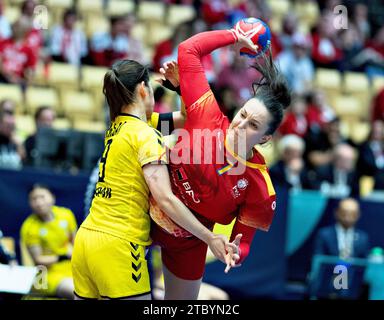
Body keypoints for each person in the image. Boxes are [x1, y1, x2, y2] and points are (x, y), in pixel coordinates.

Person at [71, 59, 232, 300]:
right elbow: (165, 199)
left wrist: (181, 88)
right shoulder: (146, 134)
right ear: (144, 90)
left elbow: (188, 119)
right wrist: (209, 237)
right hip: (119, 244)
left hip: (86, 241)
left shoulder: (120, 126)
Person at [149, 27, 291, 299]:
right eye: (243, 114)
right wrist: (234, 36)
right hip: (144, 210)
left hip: (189, 240)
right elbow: (189, 49)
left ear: (265, 138)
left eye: (253, 125)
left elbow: (243, 242)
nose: (241, 125)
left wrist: (235, 253)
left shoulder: (259, 187)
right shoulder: (206, 113)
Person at [20, 184, 77, 299]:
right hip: (45, 275)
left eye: (42, 197)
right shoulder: (30, 227)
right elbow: (38, 260)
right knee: (76, 292)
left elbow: (76, 244)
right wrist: (63, 256)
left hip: (72, 268)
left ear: (52, 198)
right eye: (34, 199)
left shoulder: (66, 215)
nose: (39, 202)